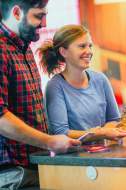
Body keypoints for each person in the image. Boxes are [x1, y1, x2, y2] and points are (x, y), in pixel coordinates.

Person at [0, 0, 80, 189]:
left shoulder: (24, 48)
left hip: (32, 165)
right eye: (38, 16)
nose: (44, 23)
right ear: (17, 13)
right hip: (13, 174)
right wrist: (50, 142)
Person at [38, 24, 126, 141]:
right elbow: (61, 133)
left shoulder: (101, 79)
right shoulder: (55, 86)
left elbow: (114, 119)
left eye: (90, 46)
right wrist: (100, 133)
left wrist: (105, 132)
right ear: (63, 52)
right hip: (74, 157)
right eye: (82, 46)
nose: (89, 51)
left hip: (104, 154)